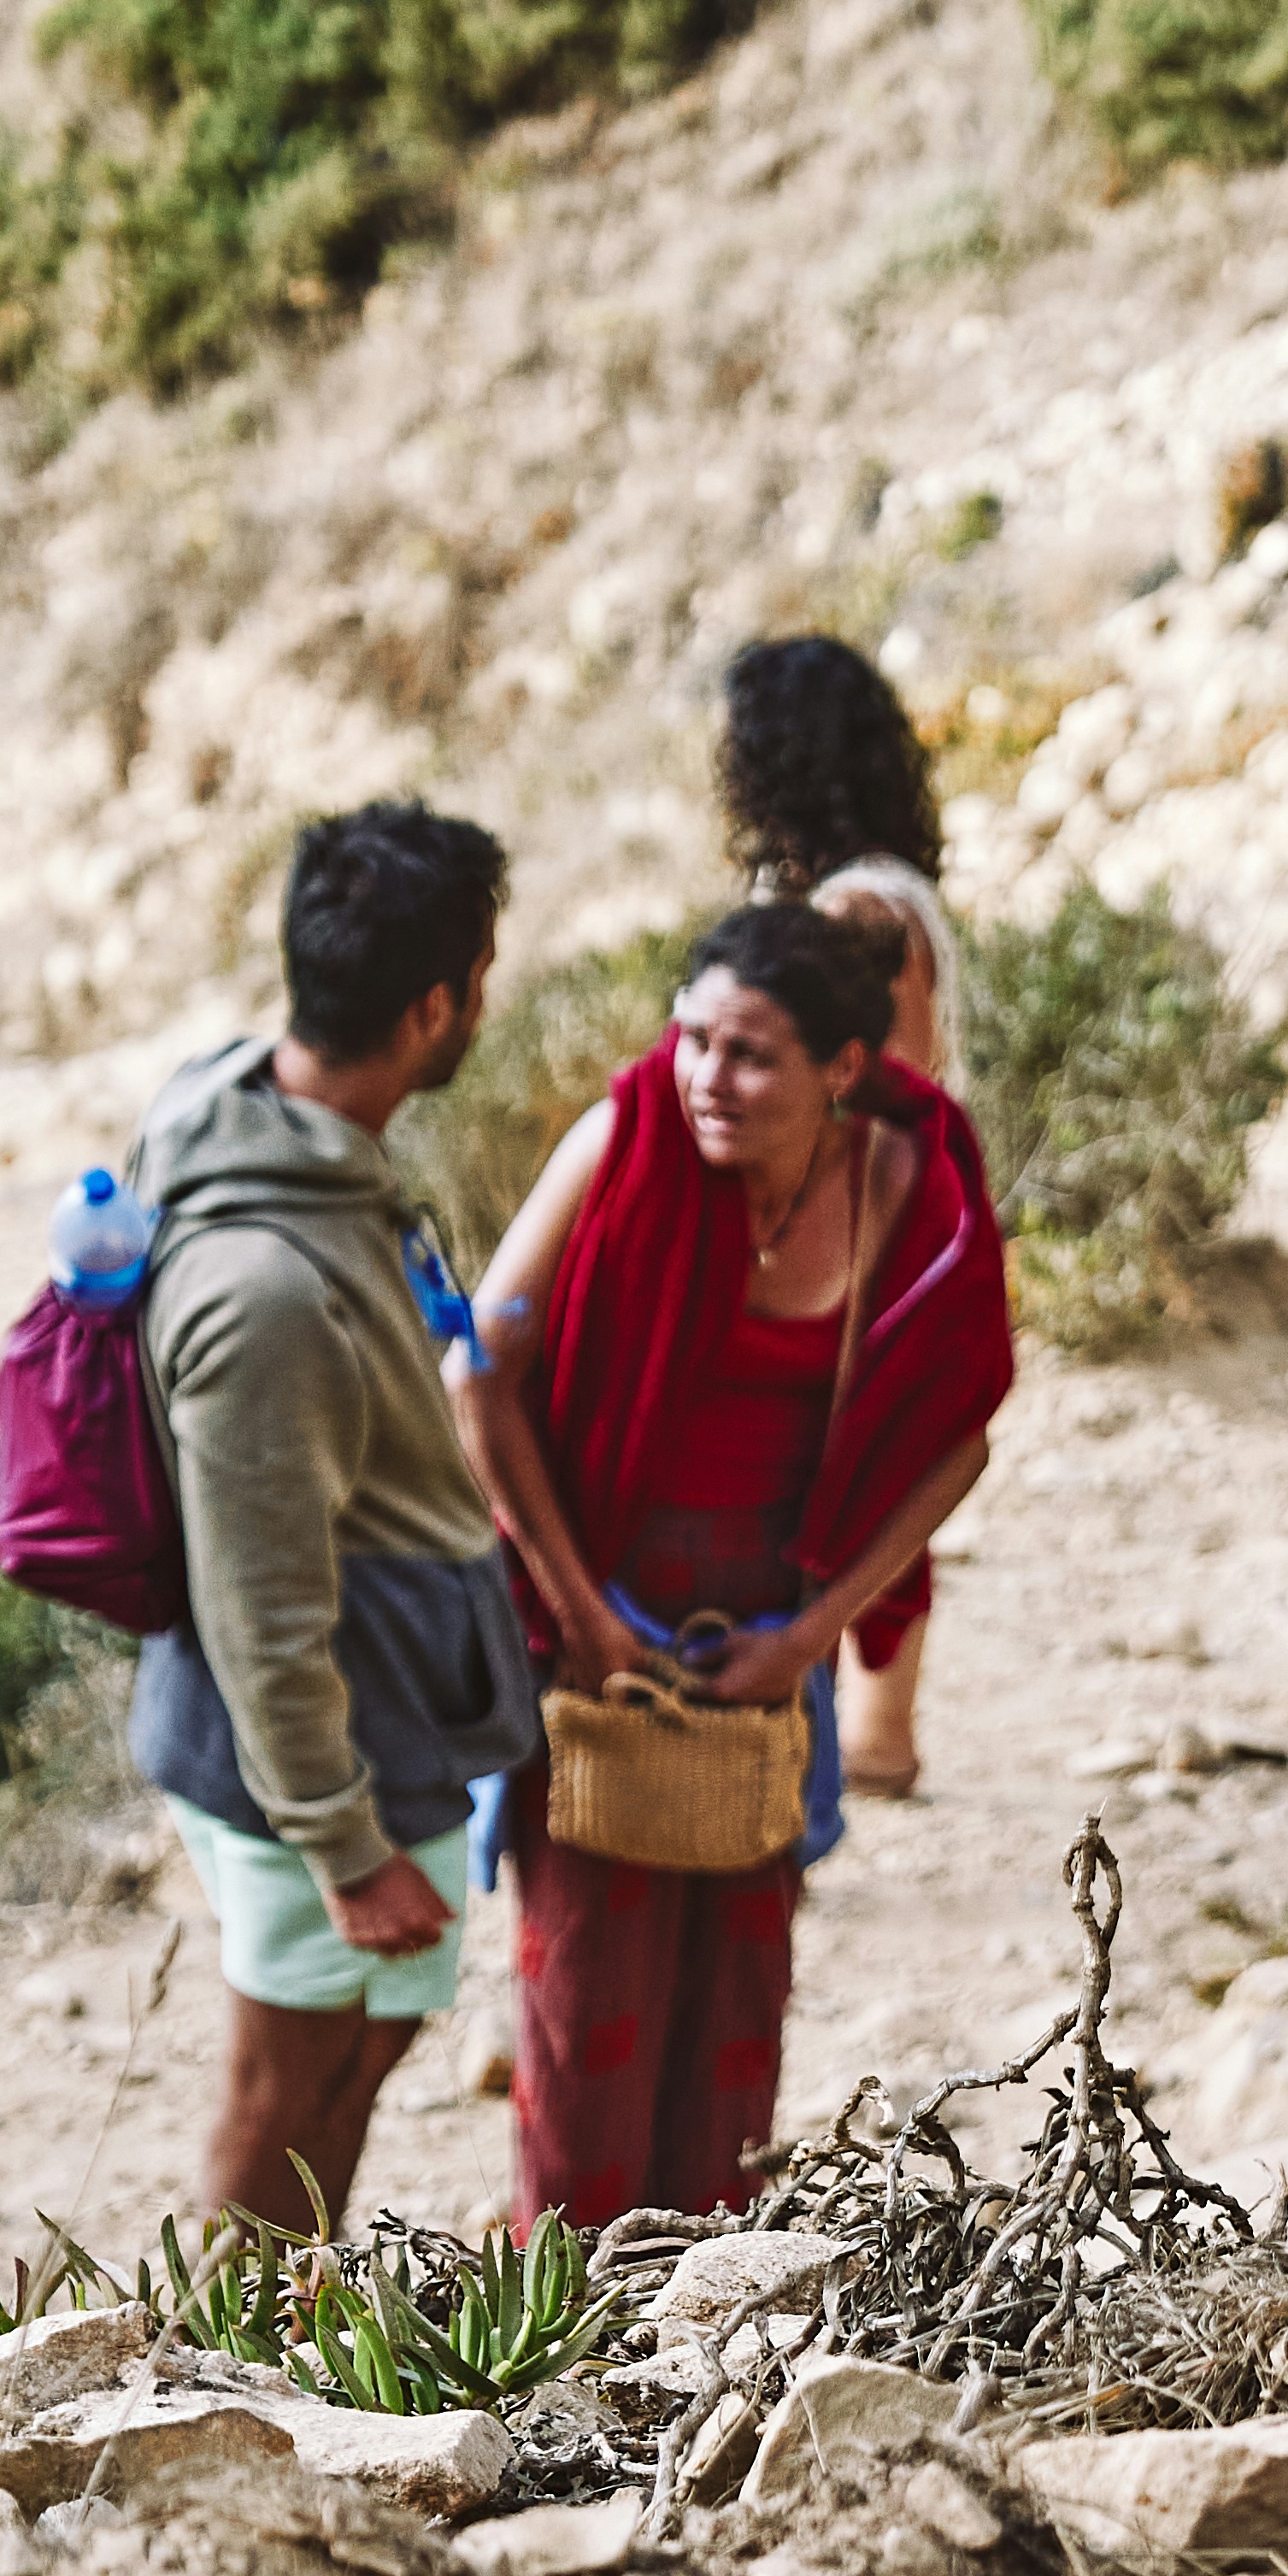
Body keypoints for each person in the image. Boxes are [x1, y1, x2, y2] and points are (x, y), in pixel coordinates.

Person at [454, 897, 1015, 2229]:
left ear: (841, 1068)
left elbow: (959, 1439)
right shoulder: (627, 1141)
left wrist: (816, 1633)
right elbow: (479, 1366)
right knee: (587, 1998)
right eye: (693, 1038)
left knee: (734, 2011)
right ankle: (565, 2332)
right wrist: (583, 1613)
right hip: (601, 1640)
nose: (705, 1079)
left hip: (763, 1646)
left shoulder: (901, 1189)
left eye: (752, 1055)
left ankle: (697, 2320)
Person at [131, 801, 542, 2232]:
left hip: (375, 1707)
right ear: (434, 1005)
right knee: (284, 2089)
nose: (484, 1004)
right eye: (481, 980)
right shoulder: (266, 1291)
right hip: (312, 1737)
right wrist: (344, 1842)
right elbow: (261, 1599)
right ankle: (212, 2400)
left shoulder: (256, 1115)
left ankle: (276, 2359)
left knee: (358, 2052)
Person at [715, 632, 963, 1802]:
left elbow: (895, 1086)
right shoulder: (863, 892)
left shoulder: (868, 906)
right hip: (865, 1226)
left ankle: (878, 1733)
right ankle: (865, 1730)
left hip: (871, 1231)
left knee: (866, 1474)